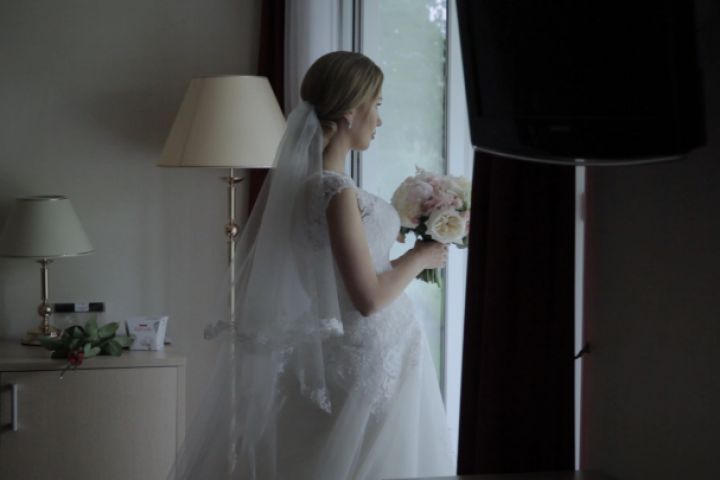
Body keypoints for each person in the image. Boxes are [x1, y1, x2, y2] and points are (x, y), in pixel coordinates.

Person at [170, 51, 454, 480]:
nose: (379, 120)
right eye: (376, 105)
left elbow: (347, 272)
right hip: (368, 356)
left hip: (363, 351)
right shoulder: (334, 192)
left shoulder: (308, 188)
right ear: (350, 111)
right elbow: (368, 299)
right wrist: (420, 257)